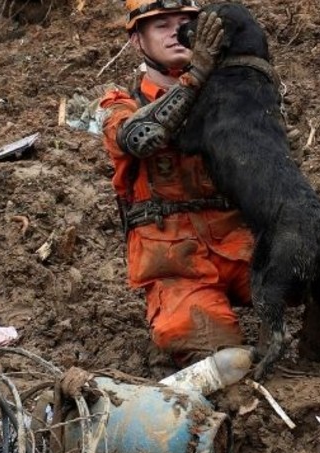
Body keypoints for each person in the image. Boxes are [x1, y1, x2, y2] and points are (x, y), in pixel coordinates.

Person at [98, 0, 255, 363]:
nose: (176, 31)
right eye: (161, 25)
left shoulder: (230, 93)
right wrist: (195, 77)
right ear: (138, 41)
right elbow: (141, 137)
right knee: (215, 353)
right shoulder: (119, 103)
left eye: (185, 21)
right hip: (177, 265)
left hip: (245, 248)